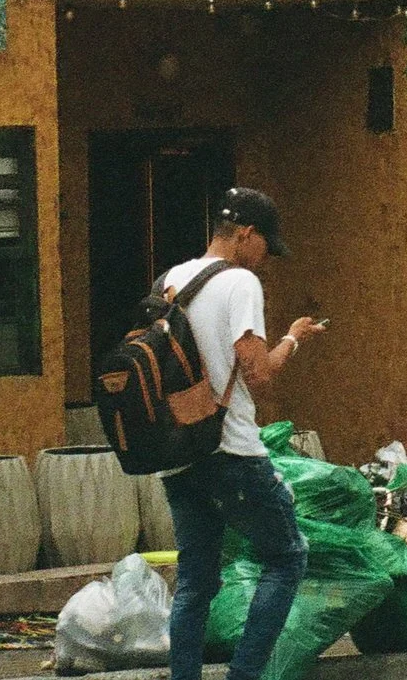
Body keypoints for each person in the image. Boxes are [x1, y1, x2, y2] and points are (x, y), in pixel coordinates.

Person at [159, 187, 323, 680]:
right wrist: (292, 340)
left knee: (194, 580)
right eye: (266, 246)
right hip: (231, 450)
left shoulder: (170, 280)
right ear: (246, 235)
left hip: (178, 452)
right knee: (288, 558)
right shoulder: (241, 283)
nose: (267, 258)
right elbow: (259, 375)